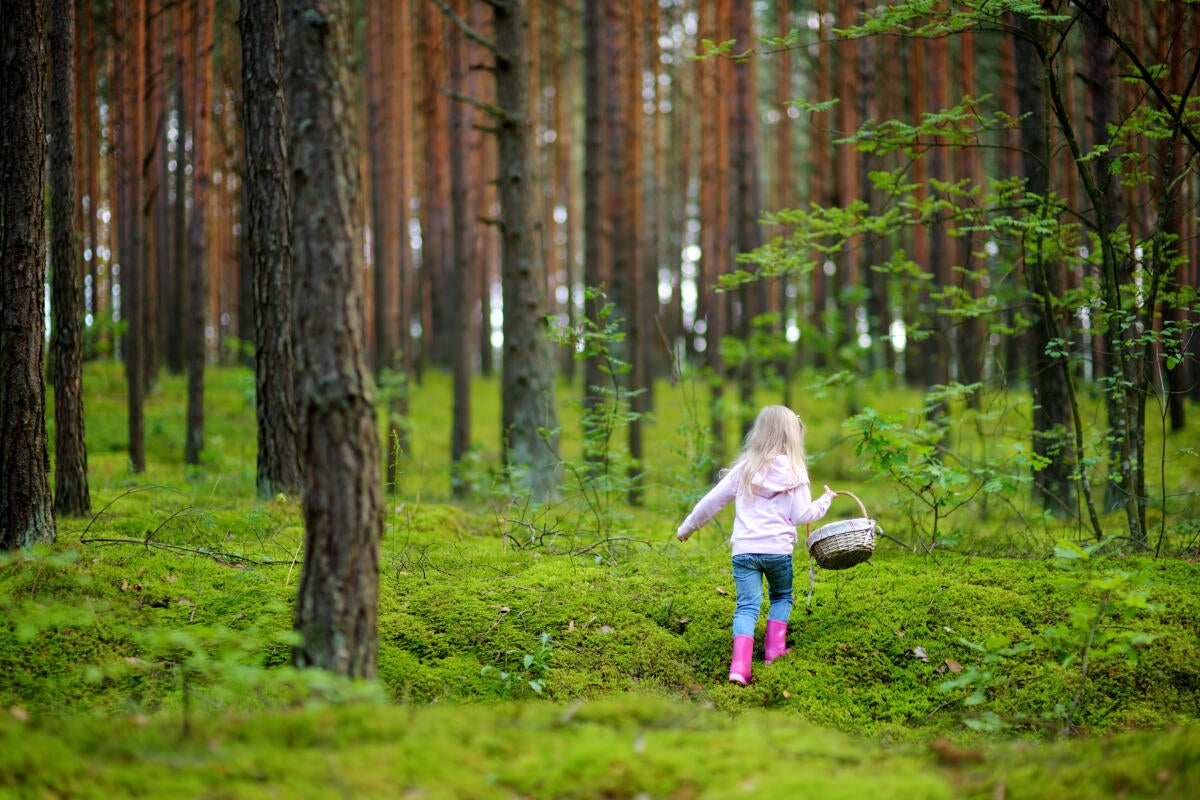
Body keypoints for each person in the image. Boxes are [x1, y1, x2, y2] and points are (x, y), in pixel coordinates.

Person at [676, 405, 836, 686]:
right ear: (792, 435)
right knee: (781, 597)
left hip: (745, 552)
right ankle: (774, 651)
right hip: (777, 551)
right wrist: (825, 501)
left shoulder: (744, 470)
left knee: (747, 606)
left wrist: (687, 528)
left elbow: (711, 502)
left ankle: (740, 667)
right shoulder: (796, 473)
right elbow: (801, 516)